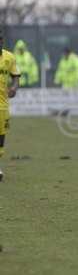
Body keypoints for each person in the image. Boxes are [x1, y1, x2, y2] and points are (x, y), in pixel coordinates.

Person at [0, 29, 20, 181]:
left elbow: (15, 76)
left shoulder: (9, 57)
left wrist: (14, 87)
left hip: (3, 105)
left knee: (1, 140)